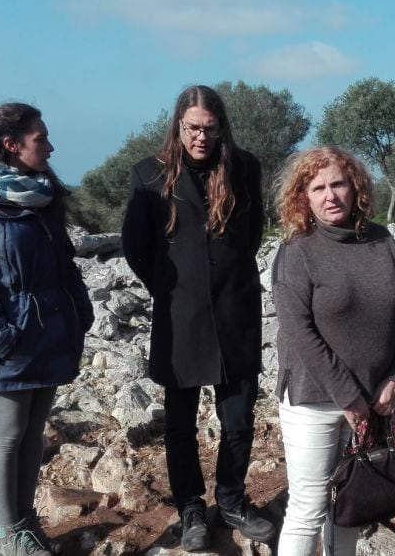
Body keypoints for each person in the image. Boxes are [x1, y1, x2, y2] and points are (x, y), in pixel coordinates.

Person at [121, 85, 273, 551]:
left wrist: (224, 280)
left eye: (209, 128)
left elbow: (251, 234)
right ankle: (190, 508)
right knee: (180, 423)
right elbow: (135, 247)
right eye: (192, 128)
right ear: (178, 126)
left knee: (239, 417)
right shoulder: (149, 175)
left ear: (221, 126)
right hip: (179, 317)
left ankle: (230, 499)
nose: (201, 137)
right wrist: (173, 288)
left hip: (235, 312)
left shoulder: (245, 168)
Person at [0, 103, 94, 556]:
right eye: (40, 139)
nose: (50, 147)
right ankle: (9, 535)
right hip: (9, 340)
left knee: (33, 433)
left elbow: (63, 263)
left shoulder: (44, 195)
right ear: (11, 145)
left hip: (50, 333)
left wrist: (80, 312)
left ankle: (25, 523)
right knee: (7, 435)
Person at [270, 147, 395, 556]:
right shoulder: (297, 252)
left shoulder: (382, 241)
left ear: (355, 188)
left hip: (375, 398)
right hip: (314, 401)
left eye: (338, 184)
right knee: (308, 509)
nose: (330, 195)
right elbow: (299, 331)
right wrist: (348, 397)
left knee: (352, 504)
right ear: (304, 197)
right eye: (318, 188)